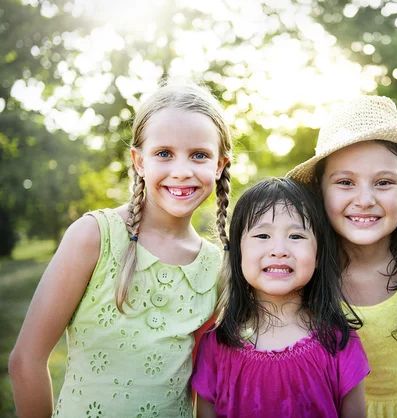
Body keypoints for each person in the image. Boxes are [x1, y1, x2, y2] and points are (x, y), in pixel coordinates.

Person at [9, 83, 232, 418]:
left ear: (219, 165)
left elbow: (203, 390)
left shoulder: (215, 266)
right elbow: (26, 361)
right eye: (164, 154)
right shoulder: (93, 236)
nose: (182, 171)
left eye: (199, 155)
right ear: (138, 160)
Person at [287, 95, 397, 417]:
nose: (365, 200)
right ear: (320, 192)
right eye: (345, 182)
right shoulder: (300, 264)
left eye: (384, 182)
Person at [192, 177, 370, 418]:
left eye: (296, 236)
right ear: (237, 253)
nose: (279, 250)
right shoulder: (216, 343)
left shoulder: (339, 341)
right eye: (262, 236)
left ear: (319, 255)